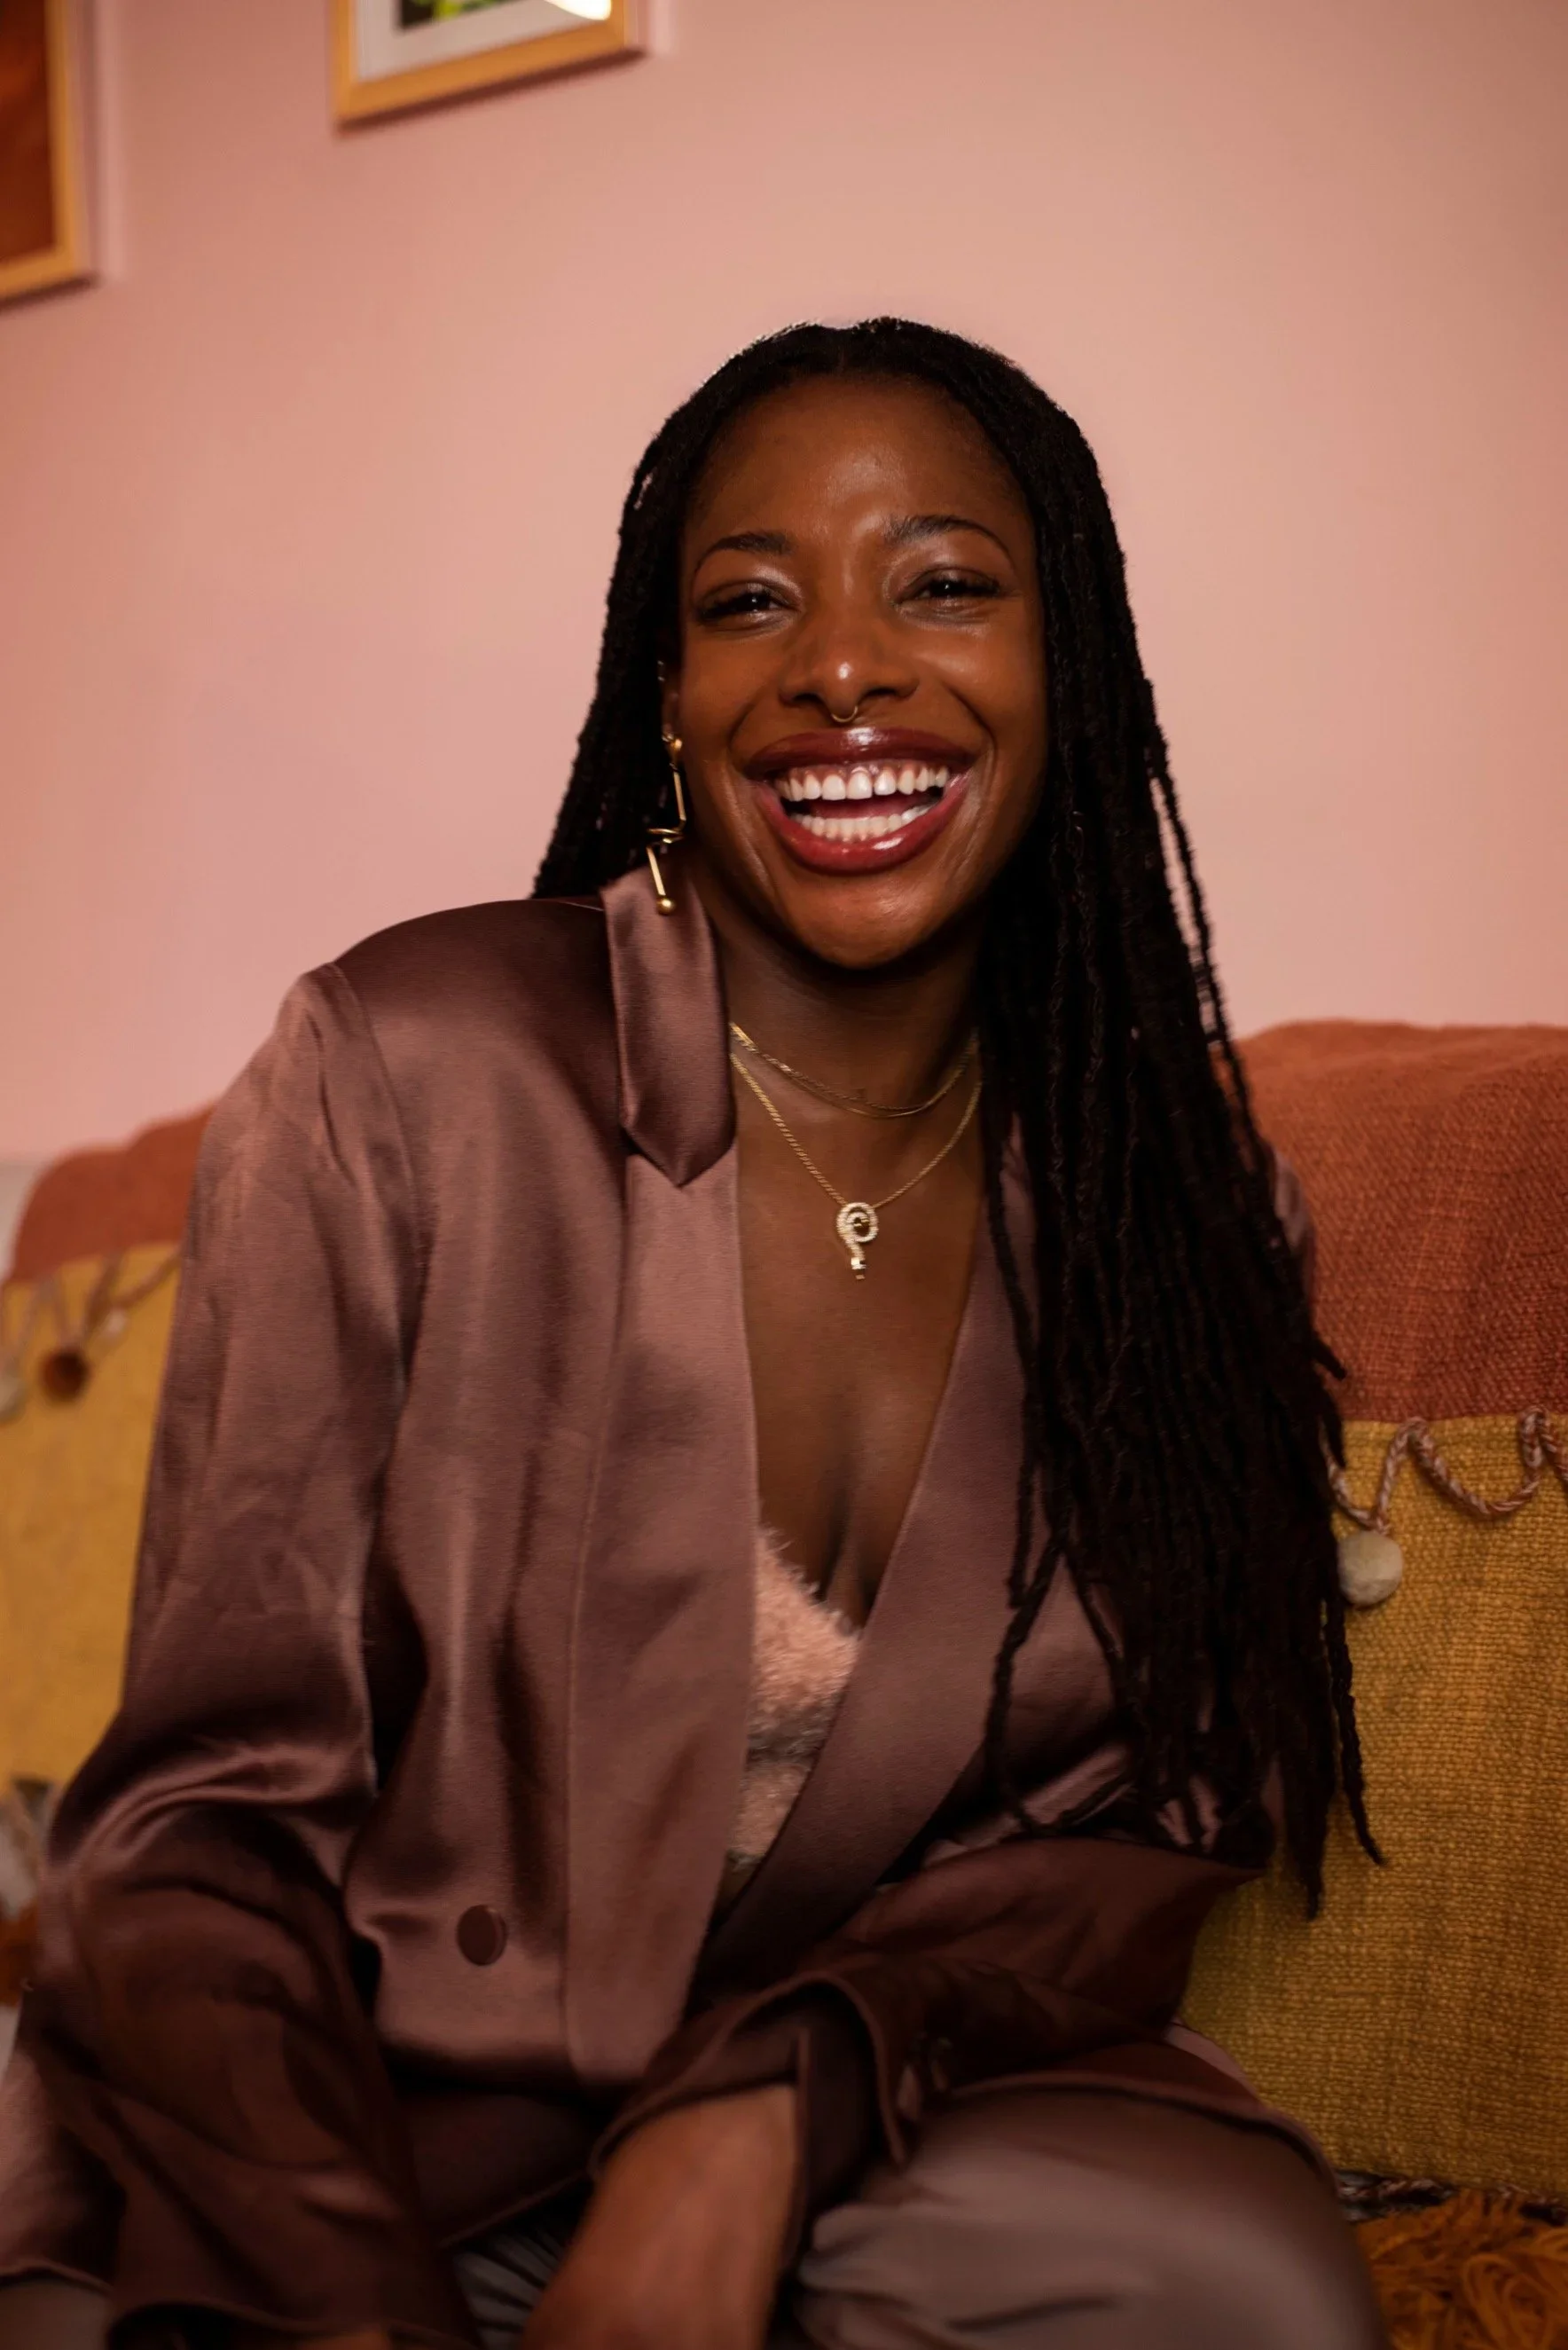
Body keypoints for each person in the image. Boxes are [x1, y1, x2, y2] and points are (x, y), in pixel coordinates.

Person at [0, 318, 1387, 2349]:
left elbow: (1144, 1830)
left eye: (941, 584)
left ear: (1062, 674)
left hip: (845, 2121)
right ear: (669, 701)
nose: (841, 664)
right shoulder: (409, 1066)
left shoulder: (1171, 1220)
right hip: (338, 2113)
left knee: (1245, 2290)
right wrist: (350, 2297)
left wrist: (755, 2112)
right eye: (751, 601)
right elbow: (198, 1831)